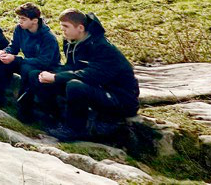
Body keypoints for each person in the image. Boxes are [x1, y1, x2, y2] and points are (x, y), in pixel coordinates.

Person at [32, 9, 140, 142]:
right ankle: (54, 119)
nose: (63, 31)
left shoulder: (102, 47)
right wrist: (52, 74)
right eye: (62, 27)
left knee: (74, 86)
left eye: (66, 27)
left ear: (80, 28)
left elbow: (92, 75)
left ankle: (75, 130)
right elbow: (72, 67)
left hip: (120, 98)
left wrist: (56, 77)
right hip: (99, 88)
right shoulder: (72, 42)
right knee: (42, 76)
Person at [0, 3, 60, 114]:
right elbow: (14, 46)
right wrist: (4, 52)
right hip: (27, 61)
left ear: (34, 20)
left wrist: (15, 59)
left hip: (46, 67)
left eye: (23, 19)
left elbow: (44, 61)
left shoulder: (48, 38)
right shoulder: (20, 29)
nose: (20, 21)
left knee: (27, 69)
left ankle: (24, 108)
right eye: (19, 18)